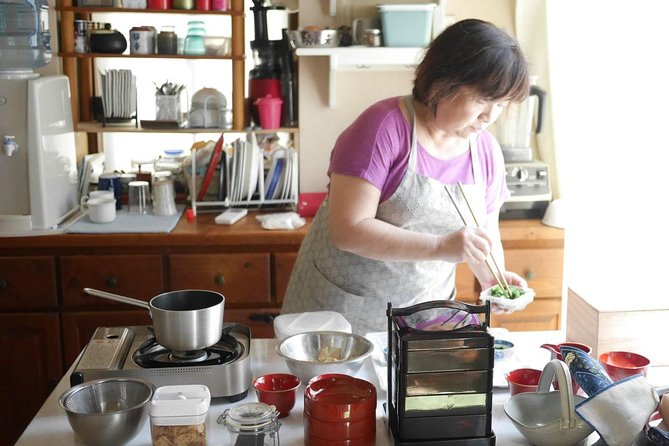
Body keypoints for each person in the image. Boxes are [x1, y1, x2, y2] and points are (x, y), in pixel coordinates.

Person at [281, 18, 530, 335]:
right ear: (444, 82)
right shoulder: (382, 128)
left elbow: (484, 237)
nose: (490, 116)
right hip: (342, 315)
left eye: (502, 103)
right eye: (484, 99)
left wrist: (494, 280)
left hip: (426, 315)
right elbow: (348, 230)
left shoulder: (486, 152)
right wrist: (441, 246)